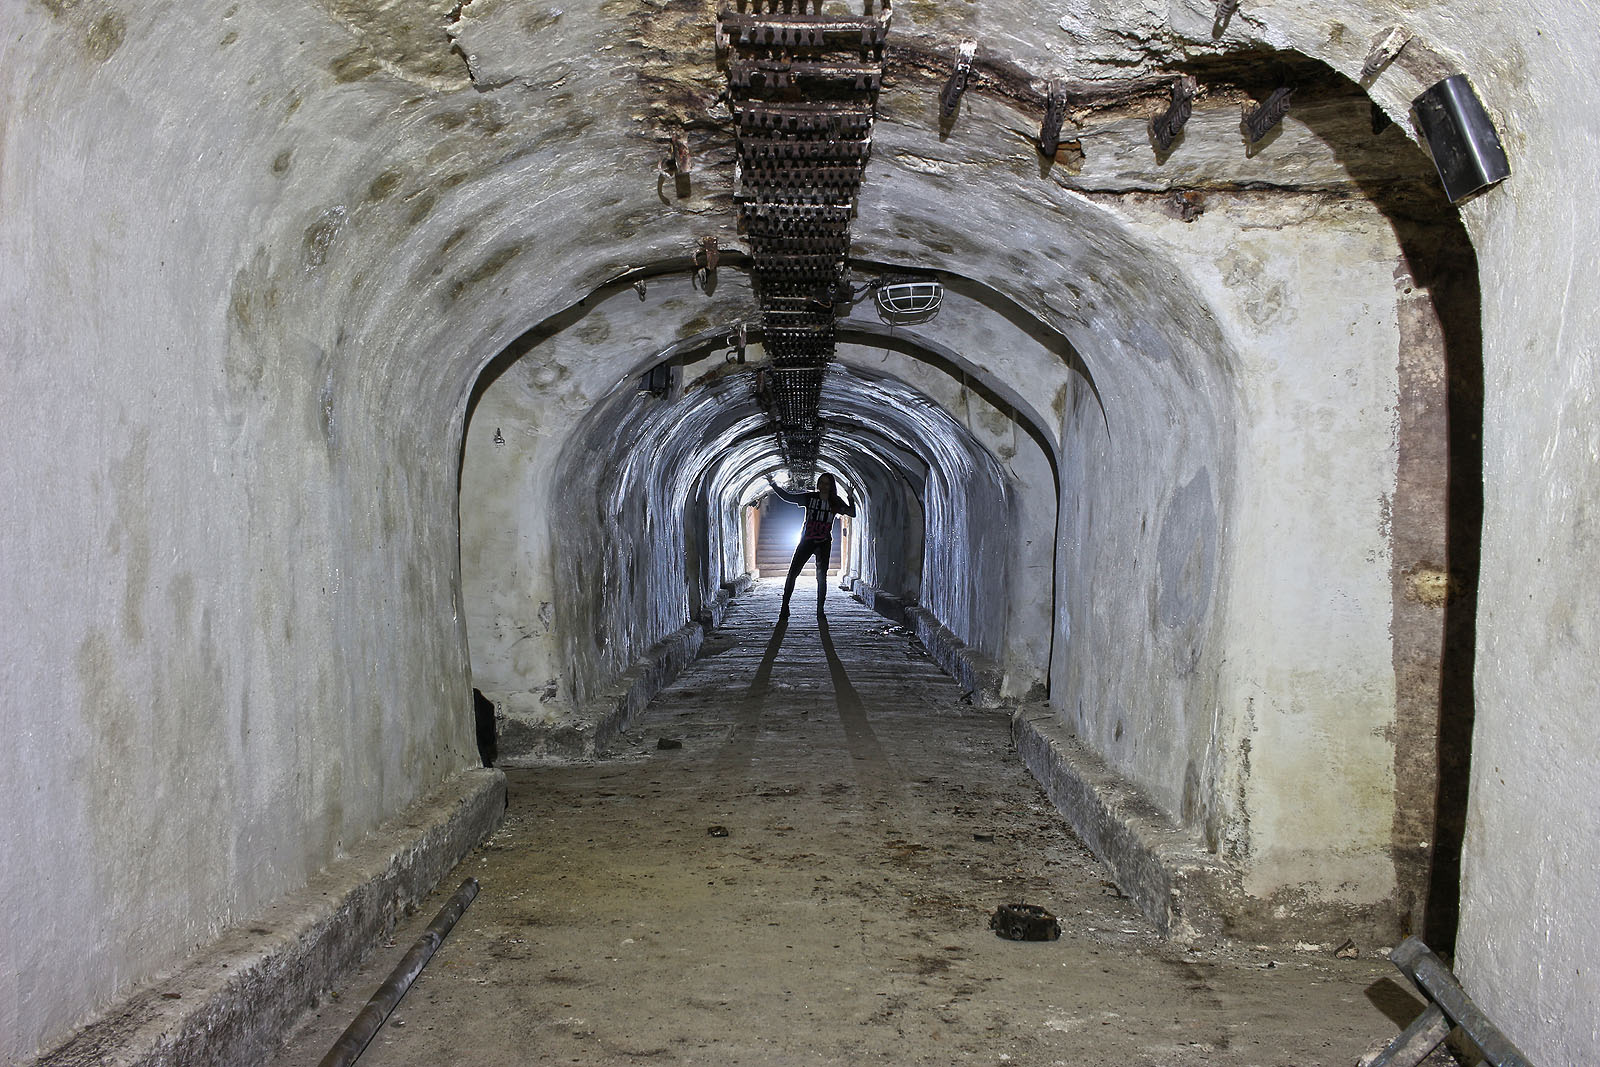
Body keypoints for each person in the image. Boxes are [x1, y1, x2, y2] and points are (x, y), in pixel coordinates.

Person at [765, 471, 856, 617]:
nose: (824, 486)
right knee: (792, 573)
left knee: (821, 577)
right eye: (822, 483)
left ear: (831, 486)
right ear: (818, 484)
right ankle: (784, 607)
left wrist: (850, 497)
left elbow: (852, 513)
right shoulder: (810, 497)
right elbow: (788, 497)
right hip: (806, 541)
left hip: (824, 543)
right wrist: (773, 483)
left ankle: (820, 610)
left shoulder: (835, 502)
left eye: (827, 484)